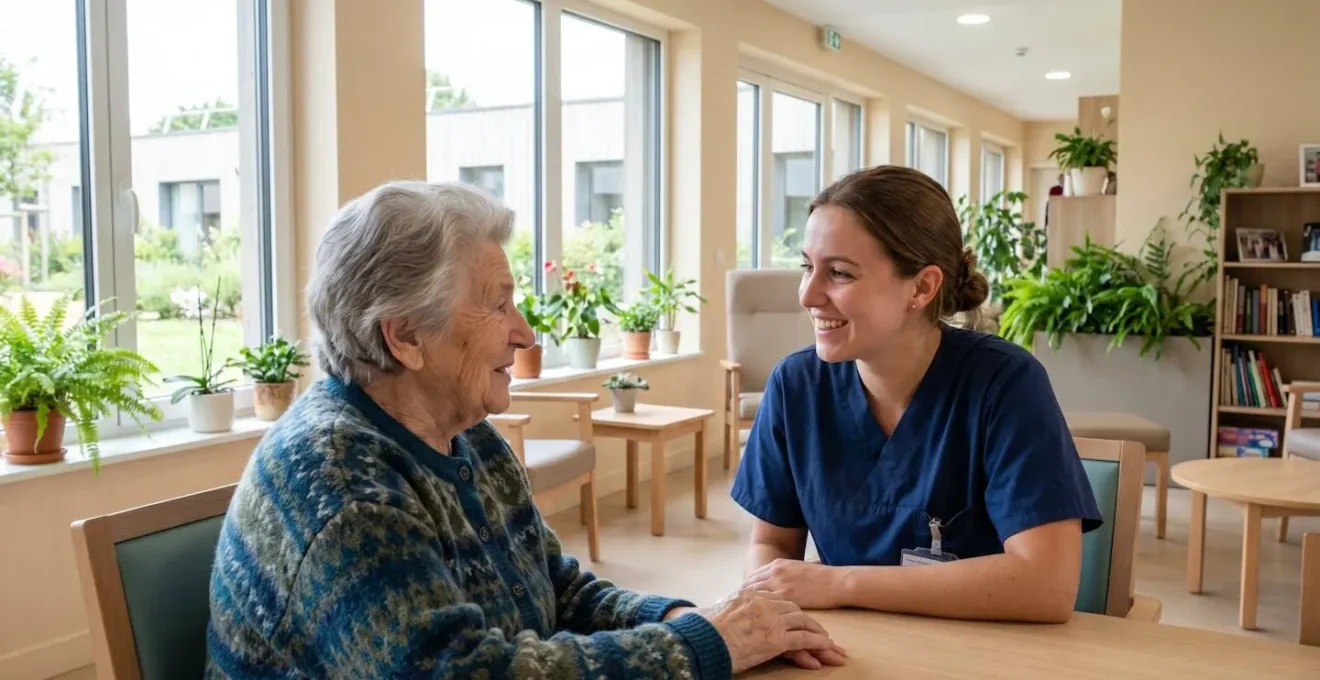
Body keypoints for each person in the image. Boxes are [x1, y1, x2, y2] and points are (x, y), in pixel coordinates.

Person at [204, 180, 844, 679]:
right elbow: (458, 673)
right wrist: (702, 644)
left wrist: (680, 617)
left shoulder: (464, 435)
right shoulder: (338, 483)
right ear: (404, 337)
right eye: (497, 302)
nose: (525, 332)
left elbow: (556, 587)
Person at [731, 165, 1103, 625]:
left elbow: (1045, 585)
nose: (808, 295)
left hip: (983, 650)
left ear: (923, 286)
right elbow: (770, 545)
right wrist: (770, 608)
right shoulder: (796, 386)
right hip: (850, 648)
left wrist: (839, 582)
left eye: (840, 273)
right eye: (808, 267)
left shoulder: (1004, 382)